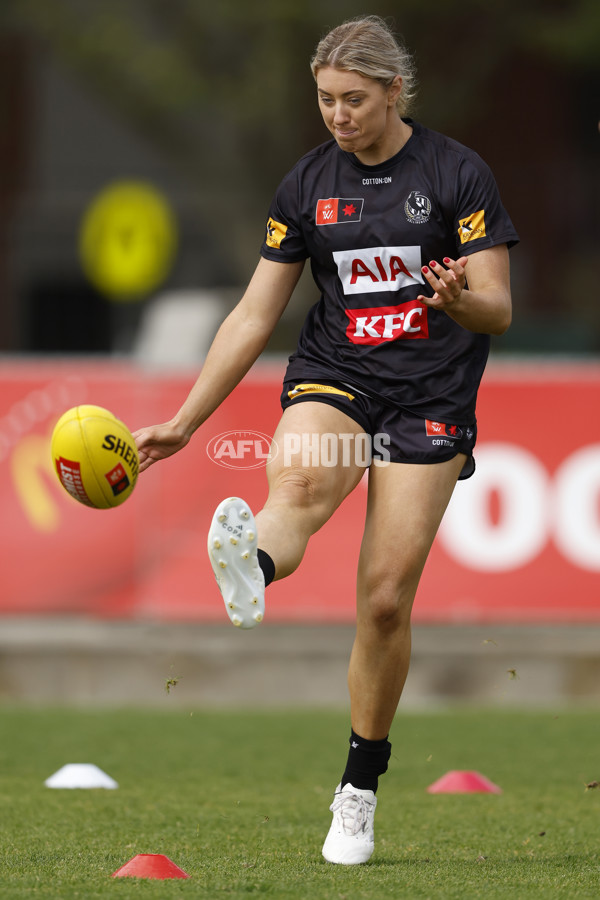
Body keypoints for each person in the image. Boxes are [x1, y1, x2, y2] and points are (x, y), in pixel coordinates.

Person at [133, 15, 518, 865]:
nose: (338, 116)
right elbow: (253, 314)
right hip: (338, 376)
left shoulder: (457, 174)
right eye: (324, 100)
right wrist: (186, 421)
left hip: (432, 392)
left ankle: (358, 790)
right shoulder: (306, 184)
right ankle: (254, 565)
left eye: (353, 99)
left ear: (394, 92)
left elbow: (498, 304)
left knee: (383, 599)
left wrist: (460, 303)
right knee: (297, 490)